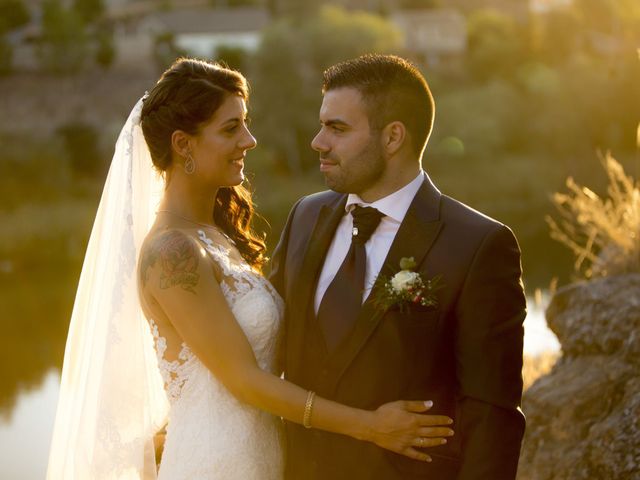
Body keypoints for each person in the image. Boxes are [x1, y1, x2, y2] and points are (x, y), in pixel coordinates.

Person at [46, 58, 455, 480]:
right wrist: (368, 426)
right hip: (218, 463)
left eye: (245, 123)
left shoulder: (215, 236)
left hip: (260, 456)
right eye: (230, 129)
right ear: (183, 144)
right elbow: (242, 379)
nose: (250, 140)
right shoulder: (172, 251)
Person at [269, 54, 527, 479]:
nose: (318, 141)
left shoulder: (478, 245)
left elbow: (492, 418)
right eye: (322, 125)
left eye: (337, 128)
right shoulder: (305, 217)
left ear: (393, 138)